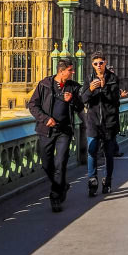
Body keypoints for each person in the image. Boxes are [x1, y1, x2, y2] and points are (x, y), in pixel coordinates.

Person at [27, 59, 85, 212]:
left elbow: (80, 107)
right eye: (70, 70)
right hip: (46, 130)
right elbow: (32, 105)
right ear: (61, 71)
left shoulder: (73, 87)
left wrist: (71, 100)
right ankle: (62, 185)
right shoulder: (44, 84)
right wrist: (46, 119)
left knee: (60, 164)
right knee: (46, 164)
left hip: (64, 131)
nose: (73, 72)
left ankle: (55, 197)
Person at [81, 51, 128, 197]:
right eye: (95, 63)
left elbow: (115, 100)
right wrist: (91, 89)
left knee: (109, 154)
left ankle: (107, 181)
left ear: (105, 62)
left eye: (101, 63)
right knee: (92, 151)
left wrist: (104, 87)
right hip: (93, 122)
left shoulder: (113, 78)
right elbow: (83, 99)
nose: (99, 65)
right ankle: (92, 179)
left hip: (109, 123)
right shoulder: (88, 79)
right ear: (92, 65)